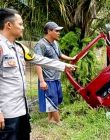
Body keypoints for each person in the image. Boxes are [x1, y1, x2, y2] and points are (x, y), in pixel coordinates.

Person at [0, 8, 76, 140]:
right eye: (20, 24)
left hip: (22, 111)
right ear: (9, 25)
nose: (23, 28)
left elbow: (38, 59)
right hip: (6, 113)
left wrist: (63, 66)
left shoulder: (19, 47)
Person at [34, 22, 76, 124]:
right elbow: (37, 63)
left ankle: (50, 120)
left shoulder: (55, 43)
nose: (59, 33)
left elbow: (59, 55)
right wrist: (42, 81)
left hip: (56, 76)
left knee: (55, 99)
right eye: (56, 31)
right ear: (49, 31)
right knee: (53, 100)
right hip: (47, 78)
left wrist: (71, 58)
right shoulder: (40, 45)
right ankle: (59, 122)